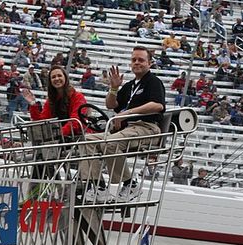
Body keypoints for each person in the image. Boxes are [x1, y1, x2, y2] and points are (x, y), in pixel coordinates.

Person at [78, 46, 166, 203]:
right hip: (127, 129)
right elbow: (111, 105)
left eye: (141, 60)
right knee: (87, 140)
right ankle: (98, 186)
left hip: (146, 127)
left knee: (110, 142)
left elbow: (158, 105)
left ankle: (130, 184)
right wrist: (113, 88)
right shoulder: (129, 86)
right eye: (134, 60)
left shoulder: (154, 82)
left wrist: (128, 113)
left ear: (149, 63)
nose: (137, 63)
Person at [22, 66, 87, 138]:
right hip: (58, 139)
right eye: (53, 77)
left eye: (59, 76)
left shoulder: (78, 97)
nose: (56, 79)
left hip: (76, 137)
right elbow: (42, 122)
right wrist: (33, 104)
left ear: (65, 77)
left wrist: (58, 134)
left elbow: (75, 121)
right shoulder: (51, 100)